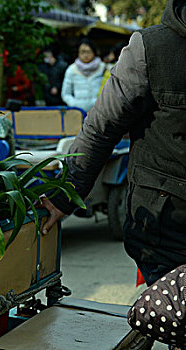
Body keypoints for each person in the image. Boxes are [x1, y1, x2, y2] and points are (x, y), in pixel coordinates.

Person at [41, 0, 186, 290]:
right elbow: (101, 129)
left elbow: (100, 127)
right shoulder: (151, 48)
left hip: (161, 221)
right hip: (167, 227)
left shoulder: (147, 47)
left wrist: (63, 198)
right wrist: (64, 197)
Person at [61, 38, 106, 112]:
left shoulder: (103, 68)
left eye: (88, 52)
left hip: (100, 111)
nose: (86, 55)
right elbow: (65, 94)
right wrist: (75, 105)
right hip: (79, 113)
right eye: (83, 52)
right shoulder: (71, 70)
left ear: (94, 52)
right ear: (78, 53)